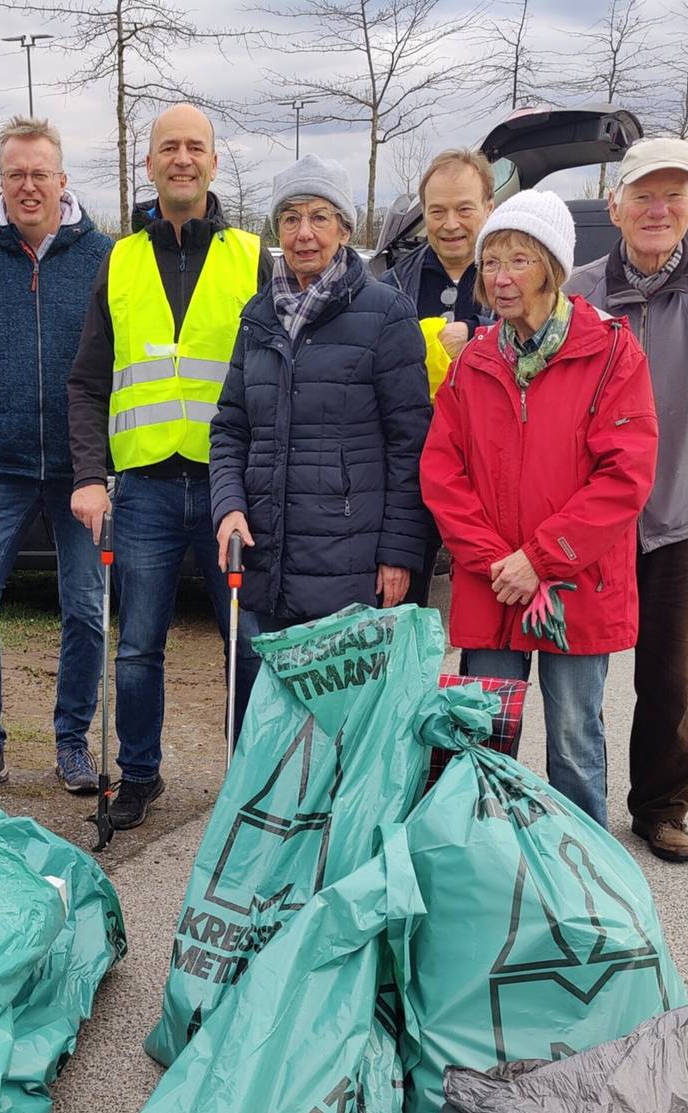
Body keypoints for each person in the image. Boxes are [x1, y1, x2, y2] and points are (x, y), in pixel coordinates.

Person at [419, 188, 659, 828]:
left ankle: (579, 873)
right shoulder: (472, 363)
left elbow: (625, 476)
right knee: (483, 740)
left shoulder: (611, 353)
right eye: (491, 262)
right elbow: (442, 472)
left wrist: (542, 559)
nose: (500, 278)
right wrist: (498, 562)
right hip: (494, 585)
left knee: (574, 743)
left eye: (519, 261)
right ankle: (484, 865)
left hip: (575, 587)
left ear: (552, 269)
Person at [67, 103, 269, 830]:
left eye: (195, 147)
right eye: (168, 148)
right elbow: (87, 381)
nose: (182, 159)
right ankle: (140, 775)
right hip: (145, 487)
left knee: (248, 643)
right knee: (138, 648)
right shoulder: (118, 260)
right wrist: (90, 476)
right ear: (150, 164)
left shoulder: (253, 257)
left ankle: (253, 778)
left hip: (230, 488)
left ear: (213, 162)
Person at [568, 136, 688, 864]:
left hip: (678, 515)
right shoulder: (579, 290)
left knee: (668, 673)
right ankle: (574, 807)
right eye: (643, 195)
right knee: (578, 675)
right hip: (593, 522)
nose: (658, 209)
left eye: (673, 195)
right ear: (615, 207)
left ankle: (661, 806)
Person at [0, 116, 112, 792]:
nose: (28, 186)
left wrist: (107, 466)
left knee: (86, 609)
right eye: (16, 174)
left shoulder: (104, 257)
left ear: (62, 180)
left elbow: (119, 369)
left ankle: (72, 743)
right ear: (0, 181)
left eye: (39, 174)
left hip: (80, 471)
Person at [212, 155, 432, 716]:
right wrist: (229, 507)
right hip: (267, 558)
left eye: (319, 217)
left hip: (349, 564)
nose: (304, 233)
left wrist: (398, 554)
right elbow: (230, 427)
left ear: (345, 229)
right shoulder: (257, 318)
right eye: (290, 218)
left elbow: (410, 445)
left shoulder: (387, 314)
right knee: (268, 718)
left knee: (343, 723)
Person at [380, 147, 498, 393]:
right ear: (424, 213)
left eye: (464, 209)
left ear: (489, 209)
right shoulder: (390, 288)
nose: (451, 224)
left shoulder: (520, 282)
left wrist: (476, 332)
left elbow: (537, 342)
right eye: (438, 211)